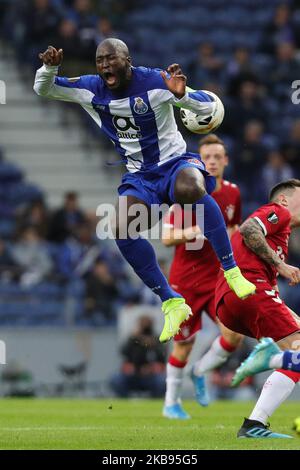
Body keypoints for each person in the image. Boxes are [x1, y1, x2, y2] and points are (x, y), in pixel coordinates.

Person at [34, 39, 255, 343]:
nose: (105, 66)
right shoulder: (90, 88)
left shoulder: (154, 80)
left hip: (175, 163)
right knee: (120, 228)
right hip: (139, 177)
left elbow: (208, 106)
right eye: (100, 60)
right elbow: (44, 89)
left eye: (111, 59)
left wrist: (184, 98)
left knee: (191, 187)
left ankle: (231, 271)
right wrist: (49, 68)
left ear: (128, 60)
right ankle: (171, 301)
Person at [162, 134, 244, 419]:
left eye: (216, 157)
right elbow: (167, 237)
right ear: (199, 160)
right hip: (185, 282)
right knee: (183, 345)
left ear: (225, 161)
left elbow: (233, 230)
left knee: (234, 335)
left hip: (217, 279)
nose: (211, 162)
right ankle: (171, 402)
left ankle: (201, 371)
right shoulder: (187, 191)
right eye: (206, 157)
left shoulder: (233, 193)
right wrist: (195, 232)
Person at [215, 179, 300, 438]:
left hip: (232, 300)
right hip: (248, 288)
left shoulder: (281, 234)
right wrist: (283, 266)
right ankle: (270, 360)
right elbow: (248, 228)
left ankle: (254, 425)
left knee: (297, 352)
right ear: (284, 200)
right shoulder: (279, 212)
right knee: (296, 352)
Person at [110, 316, 166, 398]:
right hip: (133, 374)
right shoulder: (133, 339)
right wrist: (134, 338)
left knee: (162, 381)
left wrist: (153, 345)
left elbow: (162, 356)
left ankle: (155, 402)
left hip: (151, 375)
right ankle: (124, 402)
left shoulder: (156, 339)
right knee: (116, 379)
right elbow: (123, 352)